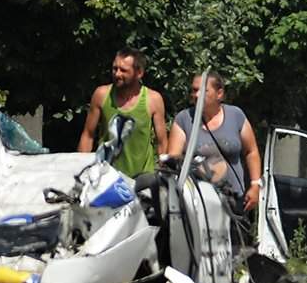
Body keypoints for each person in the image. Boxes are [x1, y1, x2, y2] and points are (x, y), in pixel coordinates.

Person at [165, 72, 265, 214]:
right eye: (194, 90)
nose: (197, 95)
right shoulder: (184, 119)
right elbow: (173, 160)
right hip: (198, 204)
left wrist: (255, 185)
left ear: (219, 94)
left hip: (233, 201)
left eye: (203, 91)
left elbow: (251, 151)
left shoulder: (235, 115)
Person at [76, 47, 166, 179]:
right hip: (106, 177)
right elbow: (88, 135)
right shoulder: (101, 95)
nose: (117, 74)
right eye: (115, 68)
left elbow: (162, 142)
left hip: (142, 179)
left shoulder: (153, 100)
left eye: (123, 70)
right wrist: (81, 170)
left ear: (139, 73)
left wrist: (163, 175)